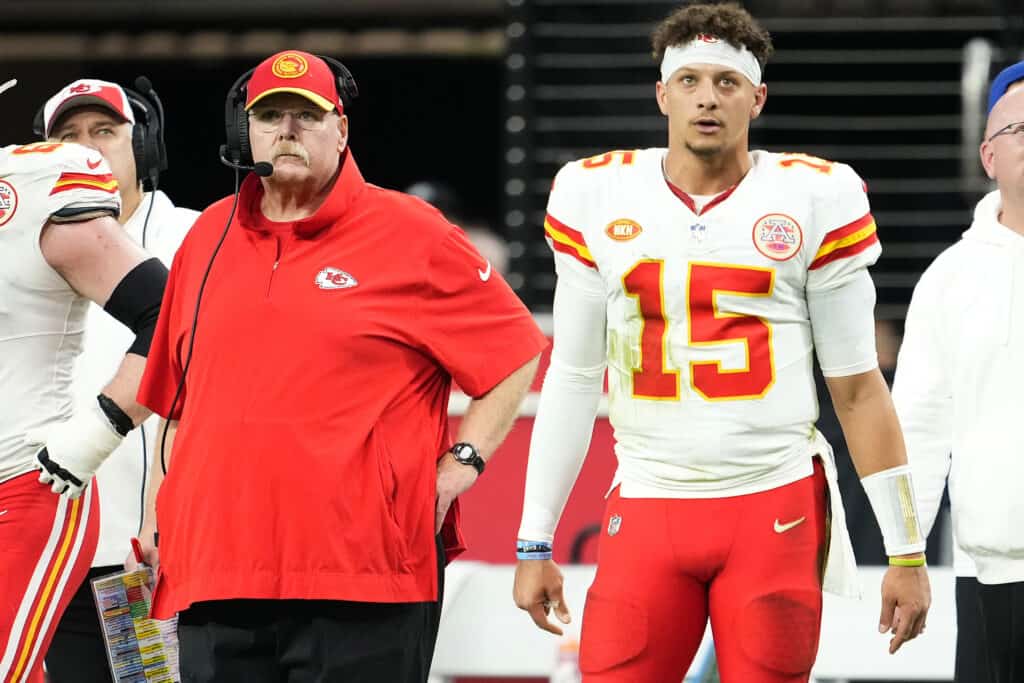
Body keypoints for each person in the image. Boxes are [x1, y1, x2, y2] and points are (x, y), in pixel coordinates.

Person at [512, 4, 931, 682]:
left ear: (757, 98)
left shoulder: (814, 196)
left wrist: (906, 551)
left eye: (728, 83)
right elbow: (573, 375)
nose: (708, 96)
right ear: (662, 94)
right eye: (690, 80)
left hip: (774, 501)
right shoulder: (596, 191)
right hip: (649, 494)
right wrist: (534, 538)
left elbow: (856, 388)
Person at [135, 50, 546, 682]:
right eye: (270, 116)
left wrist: (461, 463)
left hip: (364, 578)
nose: (287, 131)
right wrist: (158, 520)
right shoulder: (208, 236)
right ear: (246, 132)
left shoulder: (413, 233)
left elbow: (516, 351)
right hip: (214, 573)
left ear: (342, 130)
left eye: (308, 115)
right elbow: (178, 403)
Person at [33, 78, 198, 683]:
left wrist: (168, 506)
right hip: (51, 554)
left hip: (154, 558)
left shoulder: (198, 239)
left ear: (144, 145)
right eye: (69, 137)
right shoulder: (29, 244)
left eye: (105, 132)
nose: (87, 150)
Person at [0, 137, 168, 681]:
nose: (86, 139)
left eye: (104, 128)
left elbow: (178, 327)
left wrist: (95, 436)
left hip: (47, 488)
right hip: (57, 490)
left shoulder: (33, 190)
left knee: (147, 676)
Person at [892, 60, 1024, 683]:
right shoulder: (950, 278)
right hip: (994, 566)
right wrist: (905, 552)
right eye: (1021, 128)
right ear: (988, 157)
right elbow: (918, 427)